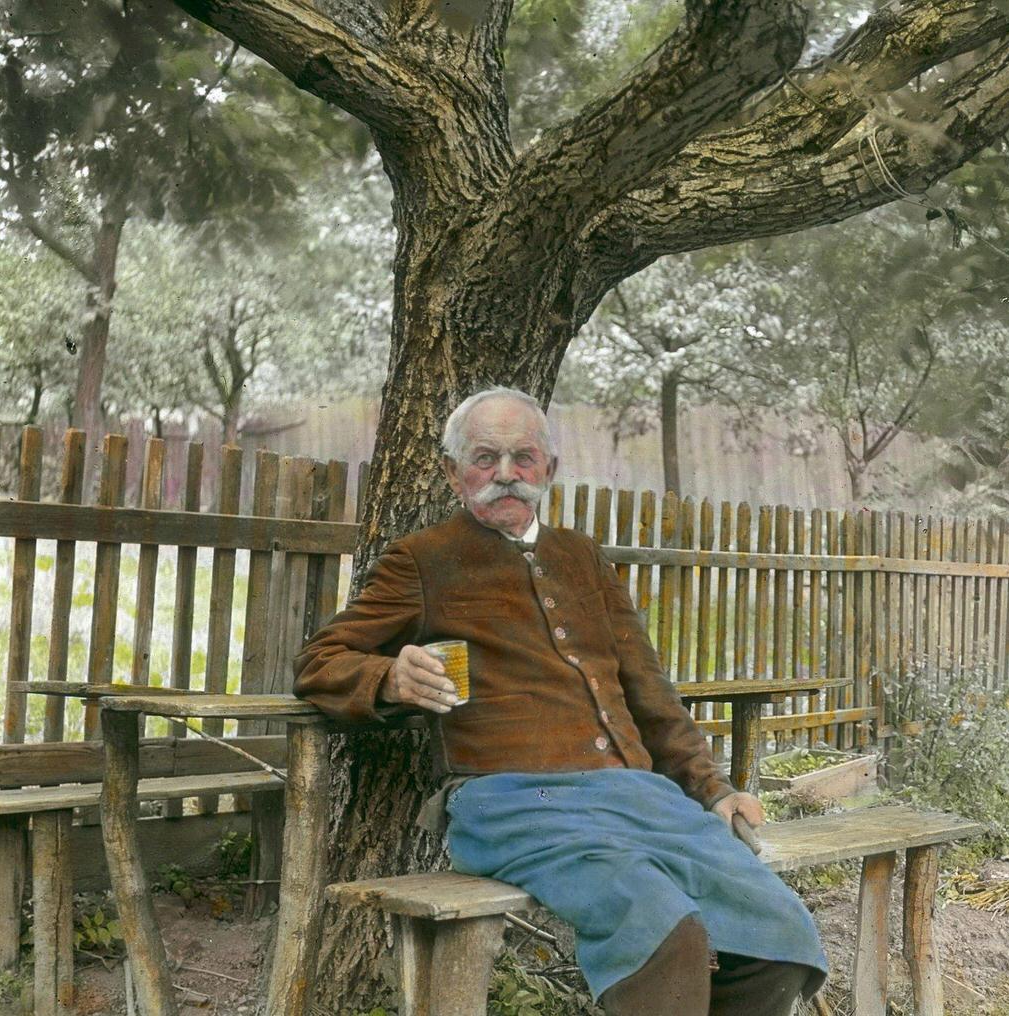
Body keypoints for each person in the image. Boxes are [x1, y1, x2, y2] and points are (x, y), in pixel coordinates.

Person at [292, 386, 828, 1015]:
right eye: (484, 458)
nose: (506, 474)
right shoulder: (422, 561)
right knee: (662, 928)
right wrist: (388, 677)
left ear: (549, 468)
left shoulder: (581, 556)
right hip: (513, 802)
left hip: (637, 799)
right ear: (453, 473)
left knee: (779, 934)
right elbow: (320, 661)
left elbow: (648, 690)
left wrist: (712, 789)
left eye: (523, 457)